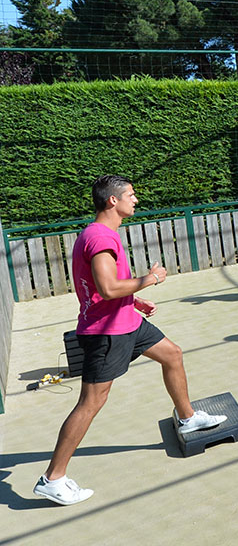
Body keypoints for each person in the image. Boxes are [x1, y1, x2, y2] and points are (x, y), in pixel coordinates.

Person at [34, 175, 227, 505]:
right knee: (90, 403)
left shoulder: (99, 234)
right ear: (113, 200)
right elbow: (108, 288)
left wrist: (134, 301)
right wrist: (151, 279)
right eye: (131, 195)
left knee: (172, 354)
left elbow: (100, 287)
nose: (135, 200)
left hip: (127, 322)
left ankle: (188, 417)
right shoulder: (100, 238)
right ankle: (53, 478)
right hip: (107, 333)